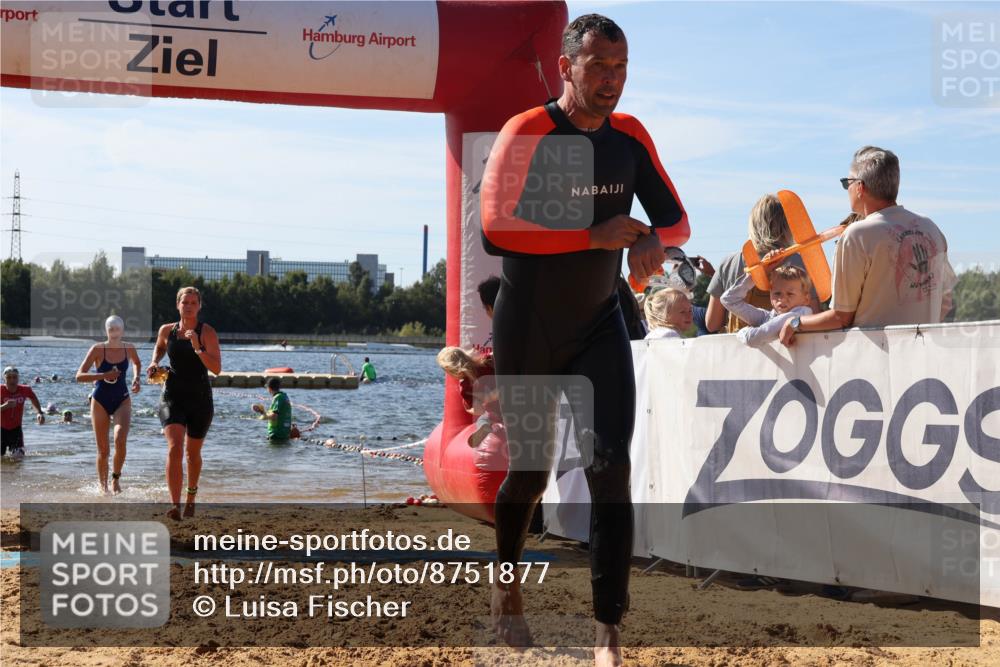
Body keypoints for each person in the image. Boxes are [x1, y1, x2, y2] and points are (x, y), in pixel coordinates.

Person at [480, 14, 689, 663]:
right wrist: (590, 237)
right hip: (530, 324)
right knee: (530, 471)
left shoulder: (630, 137)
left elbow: (676, 219)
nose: (611, 81)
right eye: (598, 66)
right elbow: (494, 230)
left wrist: (654, 243)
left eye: (621, 68)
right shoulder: (528, 131)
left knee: (611, 470)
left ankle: (608, 630)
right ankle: (507, 587)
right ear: (566, 65)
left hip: (600, 322)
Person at [781, 146, 956, 346]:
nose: (847, 189)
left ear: (860, 187)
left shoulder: (857, 235)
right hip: (924, 353)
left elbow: (840, 317)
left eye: (848, 183)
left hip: (873, 360)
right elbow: (945, 302)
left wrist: (795, 322)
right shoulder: (930, 228)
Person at [147, 286, 222, 520]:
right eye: (184, 302)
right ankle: (175, 505)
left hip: (200, 398)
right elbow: (159, 347)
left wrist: (197, 347)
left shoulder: (206, 332)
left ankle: (191, 497)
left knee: (192, 454)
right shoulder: (167, 330)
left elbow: (217, 369)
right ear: (178, 305)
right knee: (174, 447)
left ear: (199, 306)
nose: (188, 306)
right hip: (172, 395)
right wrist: (153, 362)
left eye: (193, 303)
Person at [705, 194, 819, 334]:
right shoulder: (800, 262)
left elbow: (712, 324)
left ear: (752, 224)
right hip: (788, 348)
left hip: (739, 348)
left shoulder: (727, 263)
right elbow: (814, 316)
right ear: (787, 224)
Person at [75, 315, 143, 495]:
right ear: (106, 331)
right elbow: (79, 375)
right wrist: (103, 376)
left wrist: (136, 378)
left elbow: (136, 362)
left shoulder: (129, 348)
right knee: (103, 450)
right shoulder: (97, 349)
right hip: (100, 400)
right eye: (111, 329)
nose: (114, 333)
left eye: (117, 329)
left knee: (120, 439)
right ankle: (103, 487)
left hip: (122, 399)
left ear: (123, 331)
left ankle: (115, 479)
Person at [722, 264, 814, 345]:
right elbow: (728, 300)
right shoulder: (767, 317)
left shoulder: (800, 314)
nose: (782, 299)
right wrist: (758, 273)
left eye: (790, 294)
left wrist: (741, 332)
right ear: (770, 294)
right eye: (777, 293)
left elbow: (753, 338)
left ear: (806, 299)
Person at [1, 366, 44, 459]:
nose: (12, 380)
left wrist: (39, 413)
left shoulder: (25, 389)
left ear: (18, 378)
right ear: (4, 379)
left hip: (16, 430)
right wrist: (5, 406)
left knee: (19, 458)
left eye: (14, 377)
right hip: (1, 429)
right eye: (9, 377)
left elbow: (34, 399)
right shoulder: (0, 390)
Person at [253, 377, 293, 442]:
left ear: (269, 388)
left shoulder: (277, 398)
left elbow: (274, 416)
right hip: (285, 433)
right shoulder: (284, 396)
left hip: (276, 434)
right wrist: (261, 411)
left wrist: (263, 416)